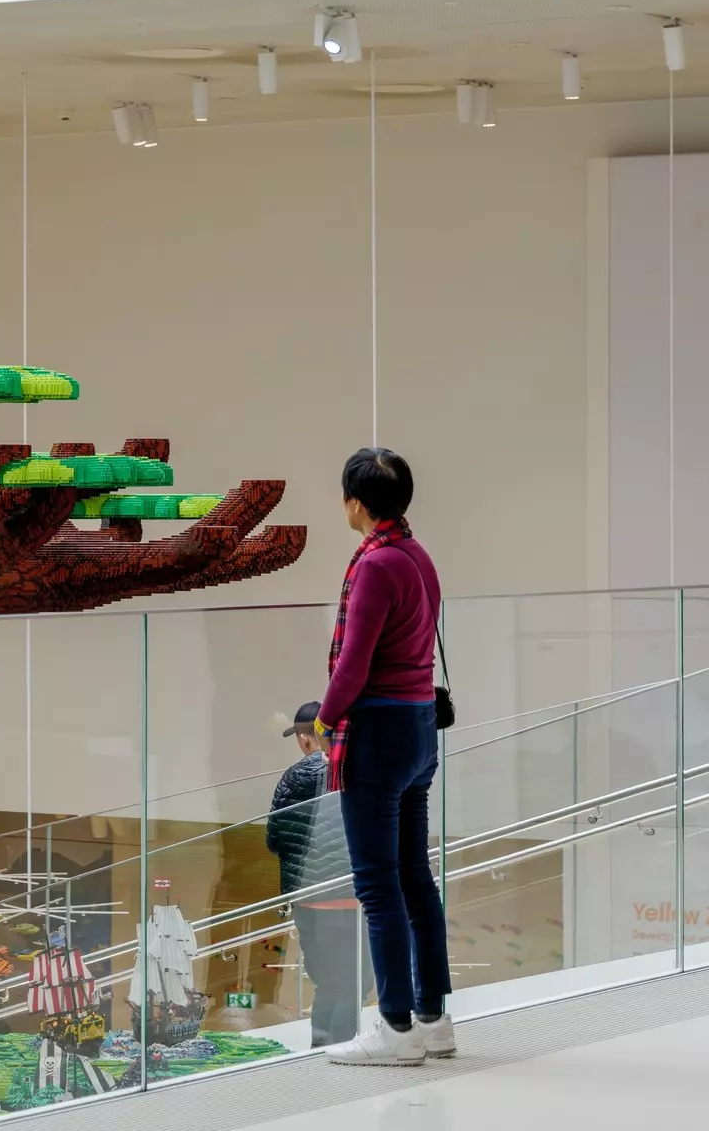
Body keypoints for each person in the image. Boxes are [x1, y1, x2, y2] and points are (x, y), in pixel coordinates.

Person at [315, 447, 453, 1066]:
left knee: (378, 885)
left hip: (379, 734)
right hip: (421, 727)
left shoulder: (373, 566)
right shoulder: (418, 556)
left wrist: (321, 719)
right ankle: (434, 1019)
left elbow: (354, 665)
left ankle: (395, 1029)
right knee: (414, 877)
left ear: (355, 502)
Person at [266, 701, 366, 1046]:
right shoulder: (359, 769)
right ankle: (339, 1051)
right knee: (355, 983)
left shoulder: (293, 777)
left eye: (301, 735)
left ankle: (320, 1051)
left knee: (328, 983)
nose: (301, 742)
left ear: (309, 738)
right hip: (353, 901)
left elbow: (274, 839)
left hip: (308, 903)